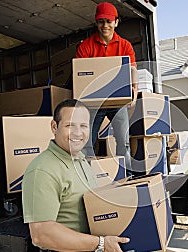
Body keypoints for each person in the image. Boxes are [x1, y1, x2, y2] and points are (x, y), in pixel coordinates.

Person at [22, 99, 143, 252]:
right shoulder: (42, 170)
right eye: (70, 126)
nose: (78, 133)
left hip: (93, 251)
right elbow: (41, 234)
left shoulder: (80, 160)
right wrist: (101, 244)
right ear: (54, 127)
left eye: (84, 126)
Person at [75, 2, 138, 177]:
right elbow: (80, 76)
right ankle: (88, 177)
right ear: (96, 23)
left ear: (116, 22)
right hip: (94, 103)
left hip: (118, 102)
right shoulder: (86, 46)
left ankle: (125, 175)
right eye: (101, 21)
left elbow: (132, 70)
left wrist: (134, 91)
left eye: (109, 21)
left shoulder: (125, 45)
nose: (105, 26)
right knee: (87, 142)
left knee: (123, 141)